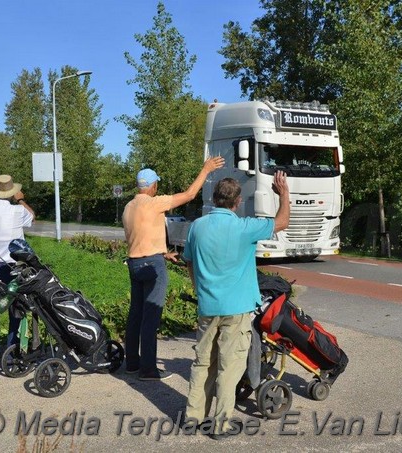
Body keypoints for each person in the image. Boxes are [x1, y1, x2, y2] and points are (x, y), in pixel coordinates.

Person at [182, 171, 290, 438]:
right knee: (229, 368)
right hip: (237, 308)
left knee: (202, 363)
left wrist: (198, 288)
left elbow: (188, 261)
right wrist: (283, 193)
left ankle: (193, 418)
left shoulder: (197, 226)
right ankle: (220, 424)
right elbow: (283, 222)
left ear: (215, 199)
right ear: (237, 201)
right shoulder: (245, 227)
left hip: (208, 306)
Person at [122, 156, 224, 381]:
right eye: (156, 184)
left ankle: (132, 363)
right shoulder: (154, 202)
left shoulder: (129, 207)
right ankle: (148, 370)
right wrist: (205, 169)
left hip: (134, 263)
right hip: (152, 266)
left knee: (135, 315)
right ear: (153, 186)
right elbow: (189, 195)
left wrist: (163, 252)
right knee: (151, 317)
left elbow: (138, 237)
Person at [0, 174, 35, 376]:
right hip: (12, 269)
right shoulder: (18, 210)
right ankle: (10, 358)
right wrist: (20, 199)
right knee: (16, 312)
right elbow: (32, 217)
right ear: (11, 192)